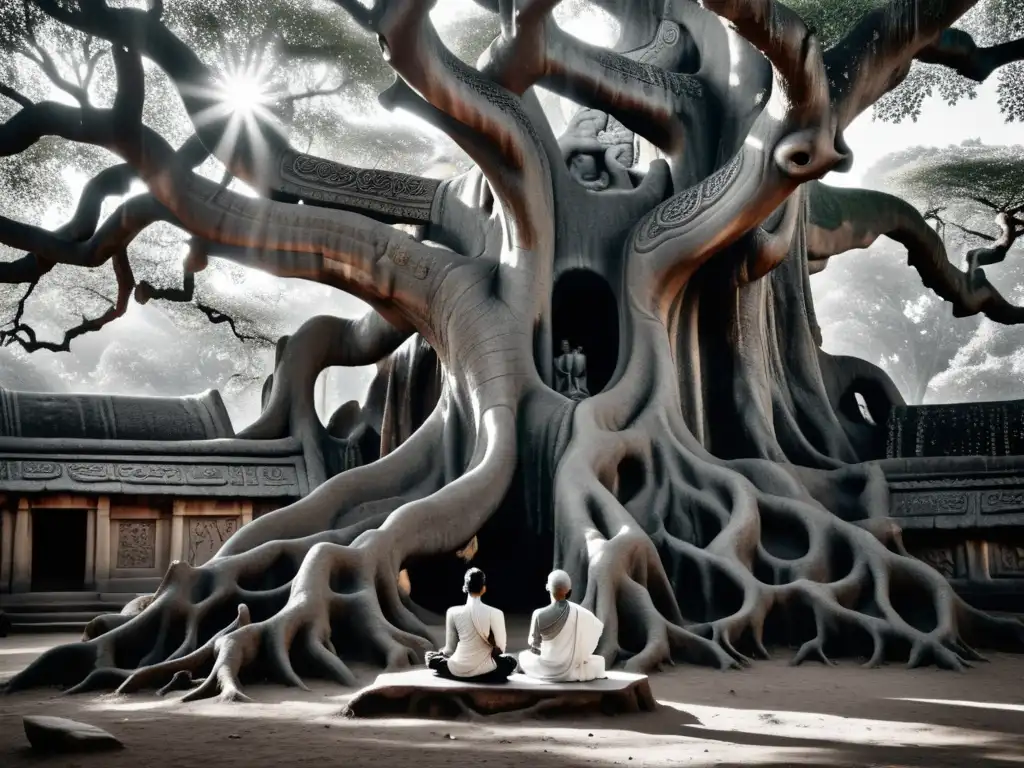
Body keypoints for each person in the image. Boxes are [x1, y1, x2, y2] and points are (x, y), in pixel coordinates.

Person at [425, 568, 518, 683]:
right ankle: (486, 675)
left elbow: (450, 650)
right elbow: (501, 649)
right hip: (487, 670)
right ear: (484, 589)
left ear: (465, 588)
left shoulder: (453, 612)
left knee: (432, 658)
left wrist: (441, 654)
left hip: (458, 669)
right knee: (510, 661)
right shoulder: (496, 613)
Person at [518, 569, 607, 682]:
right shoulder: (580, 612)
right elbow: (596, 629)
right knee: (598, 662)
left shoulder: (539, 614)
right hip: (570, 667)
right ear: (569, 591)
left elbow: (534, 645)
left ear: (547, 587)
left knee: (523, 656)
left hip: (547, 667)